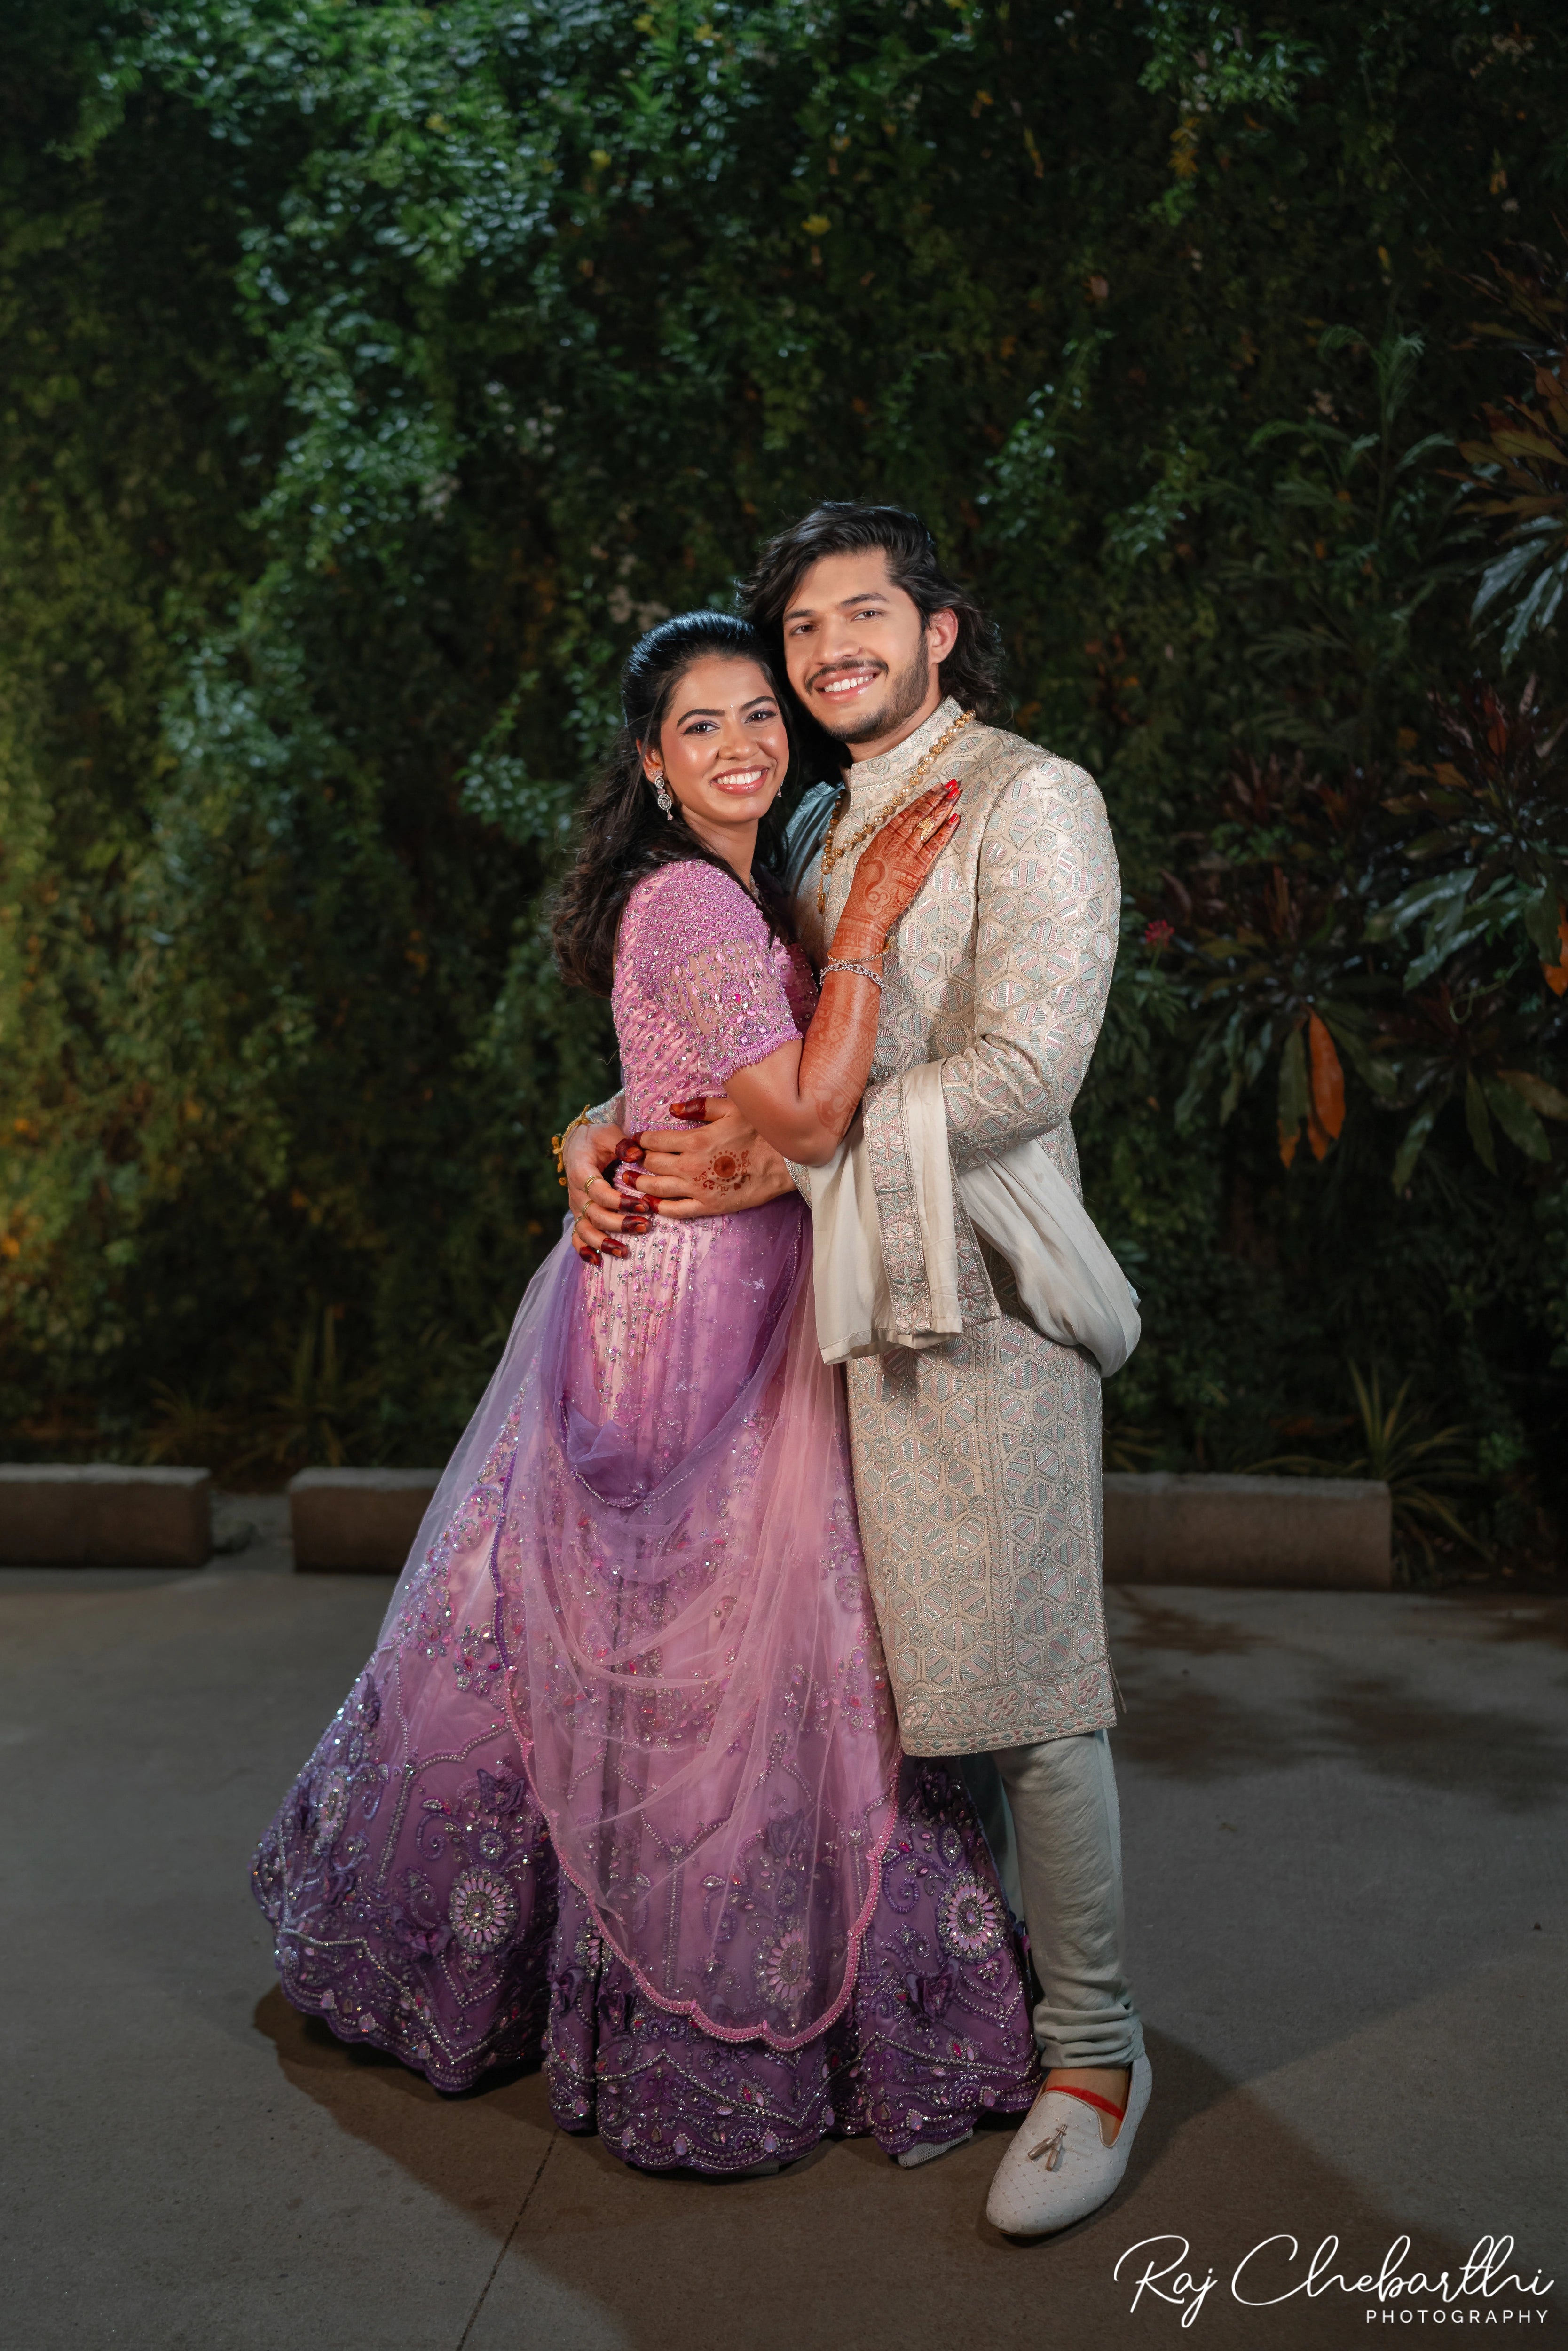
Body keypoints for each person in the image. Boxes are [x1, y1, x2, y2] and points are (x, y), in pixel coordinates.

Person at [252, 609, 1043, 2176]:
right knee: (681, 1659)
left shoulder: (759, 885)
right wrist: (871, 933)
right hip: (682, 1320)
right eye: (701, 725)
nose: (743, 743)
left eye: (761, 714)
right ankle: (603, 1998)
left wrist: (589, 1120)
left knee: (776, 1657)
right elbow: (815, 1111)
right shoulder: (689, 899)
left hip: (749, 1297)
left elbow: (693, 1083)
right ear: (650, 761)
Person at [564, 509, 1149, 2235]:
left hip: (977, 1294)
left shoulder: (1036, 798)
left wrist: (784, 1162)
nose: (829, 650)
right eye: (804, 625)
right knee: (893, 1694)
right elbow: (748, 1045)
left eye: (864, 615)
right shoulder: (814, 822)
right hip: (825, 1311)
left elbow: (1031, 1066)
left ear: (940, 629)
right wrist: (600, 1131)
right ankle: (959, 2011)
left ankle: (1098, 2057)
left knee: (1026, 1683)